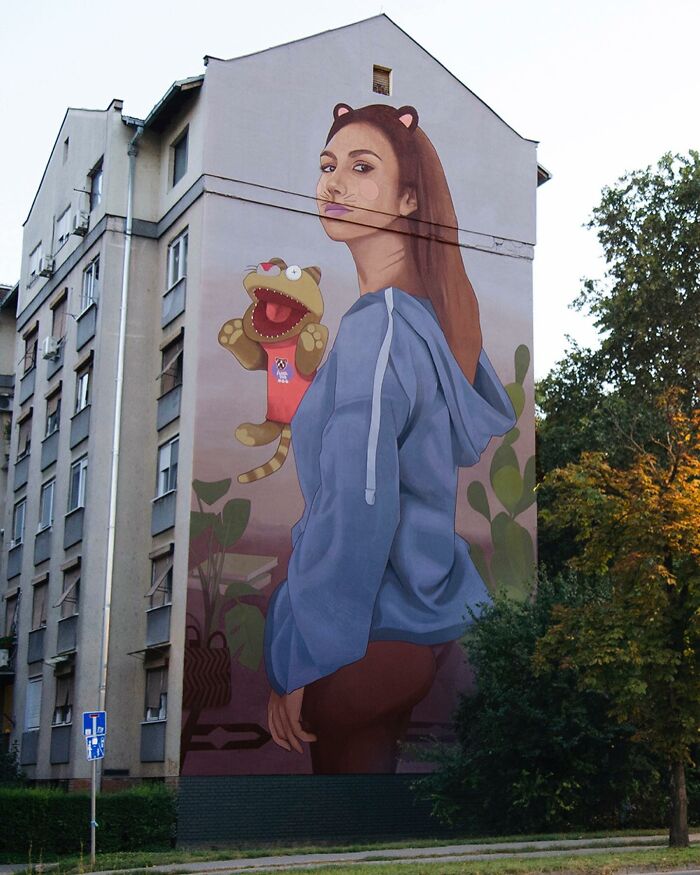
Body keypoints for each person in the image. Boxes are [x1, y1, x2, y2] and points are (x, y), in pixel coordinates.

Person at [264, 103, 515, 773]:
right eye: (327, 165)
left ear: (409, 199)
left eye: (360, 167)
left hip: (365, 631)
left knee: (341, 814)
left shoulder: (378, 328)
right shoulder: (430, 325)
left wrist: (307, 653)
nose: (333, 182)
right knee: (376, 810)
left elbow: (360, 501)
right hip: (425, 621)